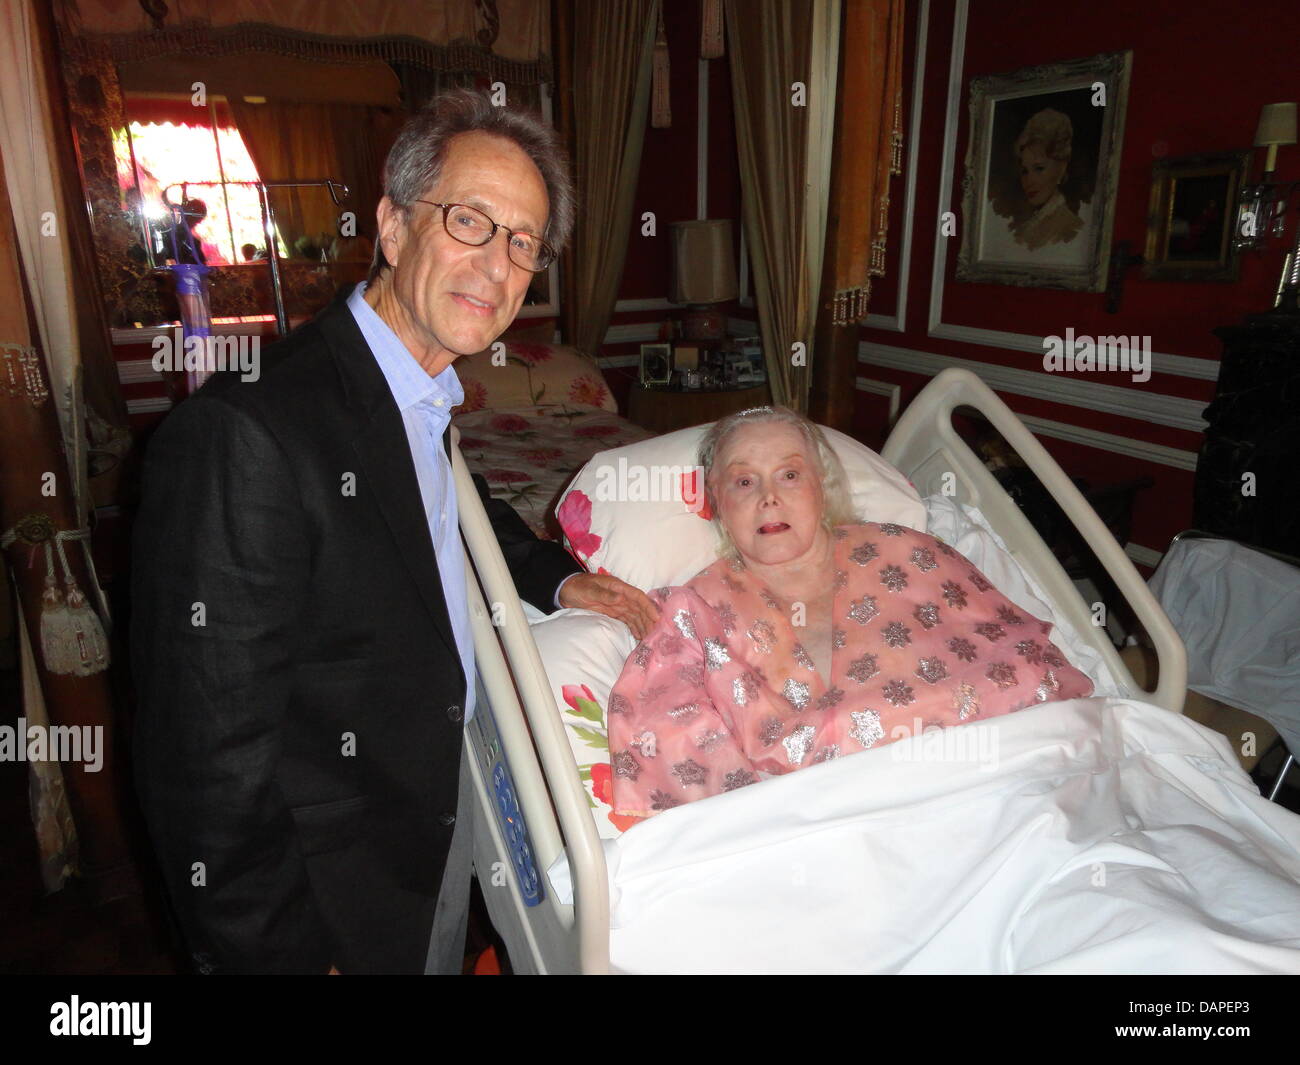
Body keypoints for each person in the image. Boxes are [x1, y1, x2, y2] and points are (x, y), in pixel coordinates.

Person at [131, 89, 657, 975]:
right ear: (392, 225)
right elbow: (206, 772)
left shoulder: (415, 392)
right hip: (333, 892)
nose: (497, 265)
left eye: (523, 242)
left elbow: (449, 500)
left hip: (429, 832)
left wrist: (552, 576)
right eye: (470, 221)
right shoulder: (249, 434)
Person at [608, 406, 1093, 819]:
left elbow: (1031, 669)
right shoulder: (693, 613)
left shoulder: (911, 554)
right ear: (716, 500)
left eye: (790, 474)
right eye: (743, 481)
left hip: (1011, 795)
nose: (768, 497)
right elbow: (672, 750)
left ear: (823, 483)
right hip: (831, 837)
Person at [1006, 109, 1084, 251]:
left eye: (1039, 168)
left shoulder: (1069, 228)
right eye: (1025, 171)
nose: (1029, 181)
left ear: (1061, 168)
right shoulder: (1025, 227)